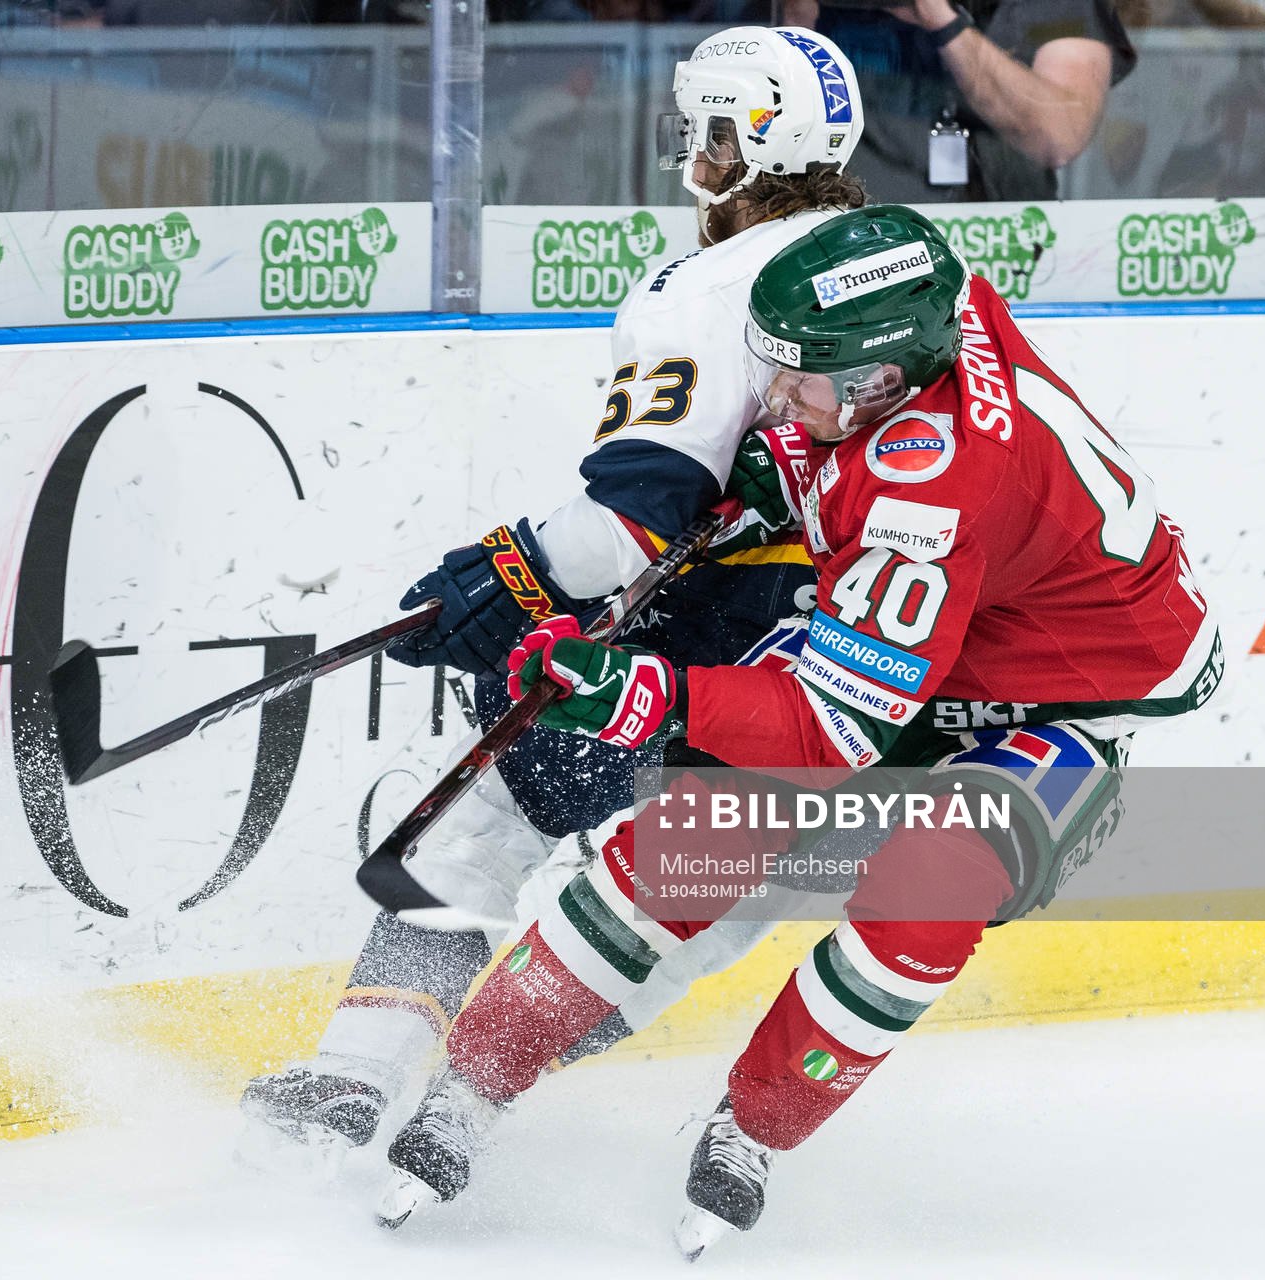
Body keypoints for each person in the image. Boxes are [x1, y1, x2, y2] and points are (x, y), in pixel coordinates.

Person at [377, 204, 1223, 1254]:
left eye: (802, 381)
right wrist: (784, 466)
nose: (775, 396)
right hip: (953, 622)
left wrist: (649, 692)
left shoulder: (930, 489)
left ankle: (753, 1129)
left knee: (929, 892)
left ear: (883, 381)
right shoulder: (930, 312)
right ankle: (471, 1085)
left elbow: (832, 730)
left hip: (1052, 697)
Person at [238, 24, 871, 1160]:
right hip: (876, 660)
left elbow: (628, 523)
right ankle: (474, 1090)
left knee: (484, 814)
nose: (693, 149)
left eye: (705, 128)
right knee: (696, 905)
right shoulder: (914, 262)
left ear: (745, 138)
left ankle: (358, 1078)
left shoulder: (710, 282)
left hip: (718, 640)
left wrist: (505, 571)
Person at [780, 0, 1136, 202]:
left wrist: (940, 17)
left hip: (994, 245)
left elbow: (1058, 136)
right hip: (849, 231)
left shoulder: (1044, 8)